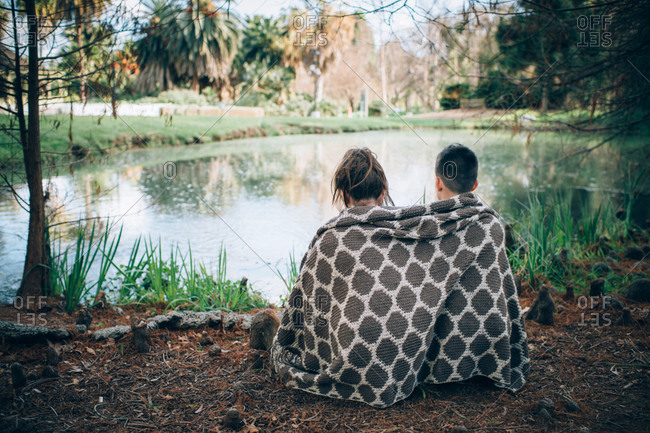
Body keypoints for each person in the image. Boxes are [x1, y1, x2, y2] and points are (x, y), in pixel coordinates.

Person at [271, 145, 529, 408]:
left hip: (353, 360)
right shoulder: (418, 228)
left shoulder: (330, 240)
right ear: (383, 193)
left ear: (344, 194)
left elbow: (308, 311)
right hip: (411, 352)